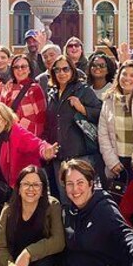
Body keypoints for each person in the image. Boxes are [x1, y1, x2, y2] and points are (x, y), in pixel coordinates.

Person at [0, 101, 58, 211]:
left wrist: (46, 152)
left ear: (5, 120)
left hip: (22, 185)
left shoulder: (16, 133)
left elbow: (38, 144)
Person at [46, 55, 103, 202]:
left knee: (83, 199)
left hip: (80, 155)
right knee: (65, 200)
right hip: (59, 156)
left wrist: (82, 109)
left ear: (72, 70)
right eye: (57, 70)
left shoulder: (82, 90)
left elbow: (100, 113)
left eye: (65, 69)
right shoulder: (52, 93)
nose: (61, 73)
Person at [0, 53, 47, 138]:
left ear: (29, 69)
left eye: (23, 66)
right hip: (8, 136)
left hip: (27, 137)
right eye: (16, 67)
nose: (20, 70)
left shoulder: (35, 89)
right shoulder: (8, 86)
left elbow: (41, 118)